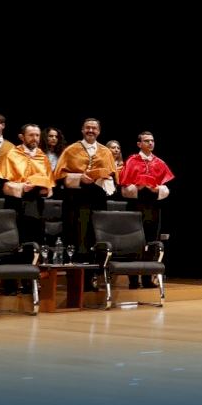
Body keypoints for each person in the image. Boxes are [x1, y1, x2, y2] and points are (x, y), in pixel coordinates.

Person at [53, 118, 116, 262]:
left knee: (97, 231)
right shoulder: (71, 150)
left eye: (94, 128)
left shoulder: (106, 152)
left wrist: (104, 178)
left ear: (99, 131)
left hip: (98, 198)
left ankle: (97, 266)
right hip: (77, 198)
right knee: (78, 233)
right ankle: (78, 265)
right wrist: (80, 177)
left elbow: (112, 173)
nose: (90, 130)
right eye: (87, 128)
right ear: (82, 130)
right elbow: (59, 175)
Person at [119, 131, 175, 289]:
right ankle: (133, 280)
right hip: (135, 205)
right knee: (133, 242)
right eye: (146, 141)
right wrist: (137, 187)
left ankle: (147, 278)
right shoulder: (132, 160)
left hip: (153, 205)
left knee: (151, 241)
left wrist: (157, 189)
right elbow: (124, 188)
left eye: (152, 140)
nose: (150, 143)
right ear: (139, 144)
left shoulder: (159, 162)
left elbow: (166, 188)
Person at [0, 124, 54, 247]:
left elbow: (49, 183)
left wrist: (46, 190)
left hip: (37, 205)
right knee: (18, 240)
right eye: (31, 135)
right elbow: (2, 184)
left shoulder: (42, 157)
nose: (35, 138)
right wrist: (21, 187)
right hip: (16, 204)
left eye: (37, 135)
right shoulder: (12, 154)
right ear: (22, 137)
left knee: (36, 239)